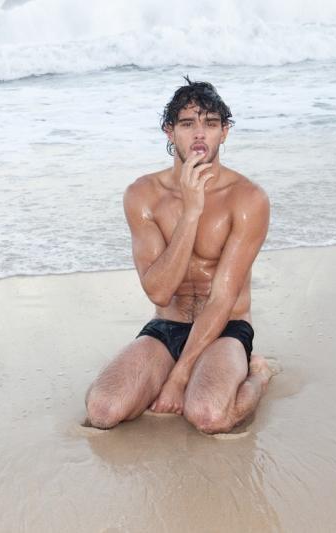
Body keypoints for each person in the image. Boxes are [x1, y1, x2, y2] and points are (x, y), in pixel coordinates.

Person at [85, 76, 273, 434]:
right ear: (169, 132)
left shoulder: (248, 199)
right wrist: (191, 212)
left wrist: (178, 378)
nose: (200, 134)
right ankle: (169, 369)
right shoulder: (143, 195)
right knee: (102, 411)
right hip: (167, 327)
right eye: (187, 124)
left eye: (211, 124)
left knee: (208, 415)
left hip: (225, 329)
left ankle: (259, 376)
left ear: (225, 132)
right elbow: (158, 292)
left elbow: (222, 299)